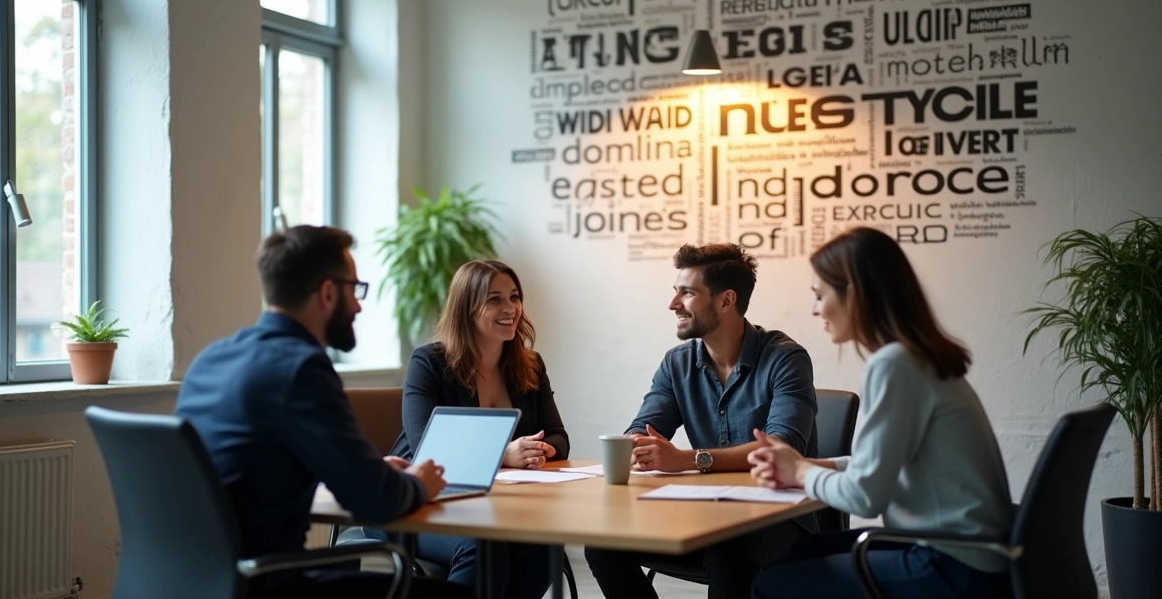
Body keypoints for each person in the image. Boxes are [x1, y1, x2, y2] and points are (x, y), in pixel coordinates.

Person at [174, 226, 472, 599]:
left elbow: (259, 466)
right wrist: (418, 483)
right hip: (269, 583)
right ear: (328, 293)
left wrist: (376, 472)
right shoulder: (301, 370)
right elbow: (375, 503)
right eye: (356, 289)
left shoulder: (213, 359)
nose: (360, 305)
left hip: (196, 581)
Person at [748, 226, 1014, 599]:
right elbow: (879, 465)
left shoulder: (894, 365)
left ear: (854, 293)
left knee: (769, 586)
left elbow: (864, 497)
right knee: (796, 554)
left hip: (951, 565)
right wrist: (809, 466)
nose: (814, 309)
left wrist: (801, 471)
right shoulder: (917, 359)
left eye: (820, 295)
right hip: (968, 552)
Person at [584, 243, 819, 599]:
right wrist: (639, 445)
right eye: (675, 292)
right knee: (603, 546)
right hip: (704, 514)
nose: (673, 304)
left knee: (729, 554)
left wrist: (688, 460)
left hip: (777, 519)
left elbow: (782, 449)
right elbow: (644, 428)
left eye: (687, 293)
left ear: (726, 300)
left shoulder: (785, 358)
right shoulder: (677, 363)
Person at [373, 259, 569, 599]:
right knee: (485, 544)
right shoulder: (430, 363)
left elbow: (558, 437)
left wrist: (540, 450)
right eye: (495, 299)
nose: (510, 308)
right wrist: (505, 454)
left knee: (543, 544)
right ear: (467, 308)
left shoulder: (530, 365)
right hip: (412, 505)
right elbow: (428, 452)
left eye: (514, 296)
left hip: (488, 506)